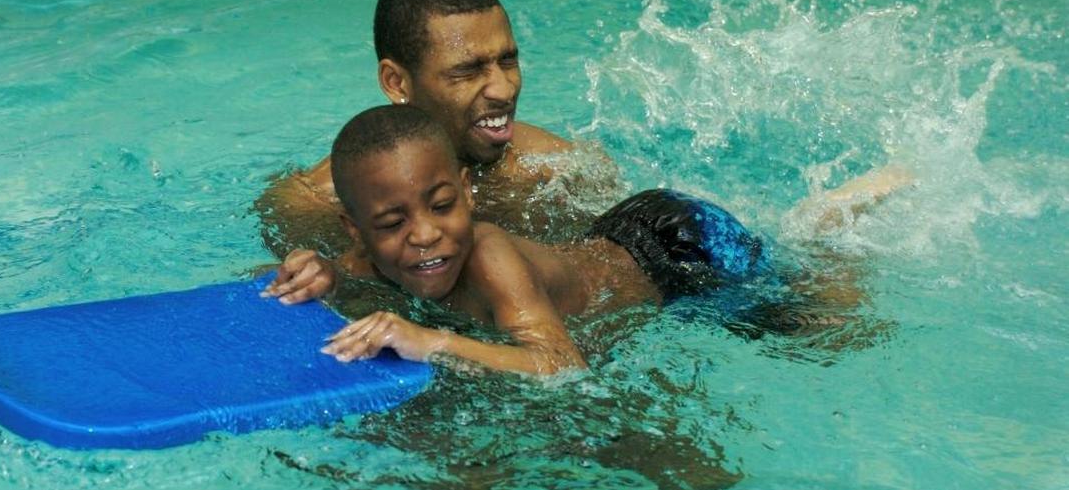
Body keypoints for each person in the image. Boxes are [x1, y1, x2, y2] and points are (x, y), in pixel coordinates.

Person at [265, 104, 854, 375]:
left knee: (821, 330)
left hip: (679, 251)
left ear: (468, 194)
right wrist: (322, 272)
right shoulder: (366, 257)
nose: (424, 235)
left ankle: (829, 223)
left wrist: (428, 341)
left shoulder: (489, 257)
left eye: (443, 206)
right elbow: (335, 273)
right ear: (356, 231)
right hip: (613, 239)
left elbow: (558, 363)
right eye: (392, 225)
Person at [254, 0, 615, 284]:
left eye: (508, 61)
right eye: (468, 71)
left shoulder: (559, 171)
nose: (504, 89)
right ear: (397, 83)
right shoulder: (315, 205)